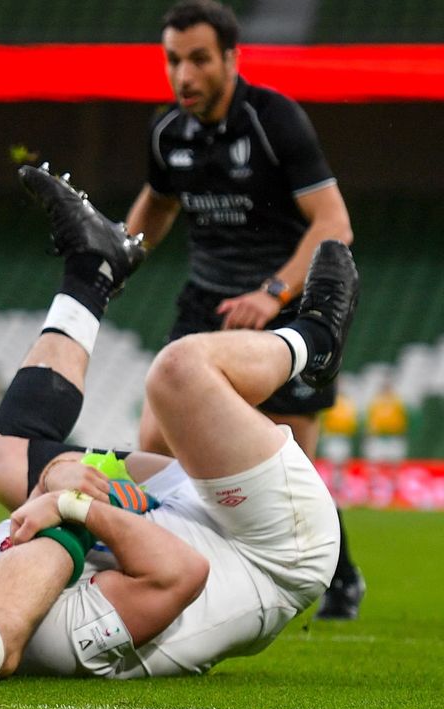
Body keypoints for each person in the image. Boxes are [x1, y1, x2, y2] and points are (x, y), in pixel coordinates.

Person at [0, 165, 353, 679]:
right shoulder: (50, 637)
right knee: (177, 374)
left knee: (0, 458)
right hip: (274, 549)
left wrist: (58, 485)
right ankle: (316, 339)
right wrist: (68, 501)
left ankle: (93, 270)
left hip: (188, 512)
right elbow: (178, 573)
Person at [123, 0, 361, 620]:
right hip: (205, 301)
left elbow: (335, 223)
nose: (184, 76)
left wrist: (271, 294)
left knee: (291, 462)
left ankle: (343, 574)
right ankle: (179, 572)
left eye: (199, 60)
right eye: (174, 61)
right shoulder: (166, 132)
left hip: (287, 304)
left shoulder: (274, 120)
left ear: (231, 58)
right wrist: (111, 260)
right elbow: (158, 207)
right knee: (155, 447)